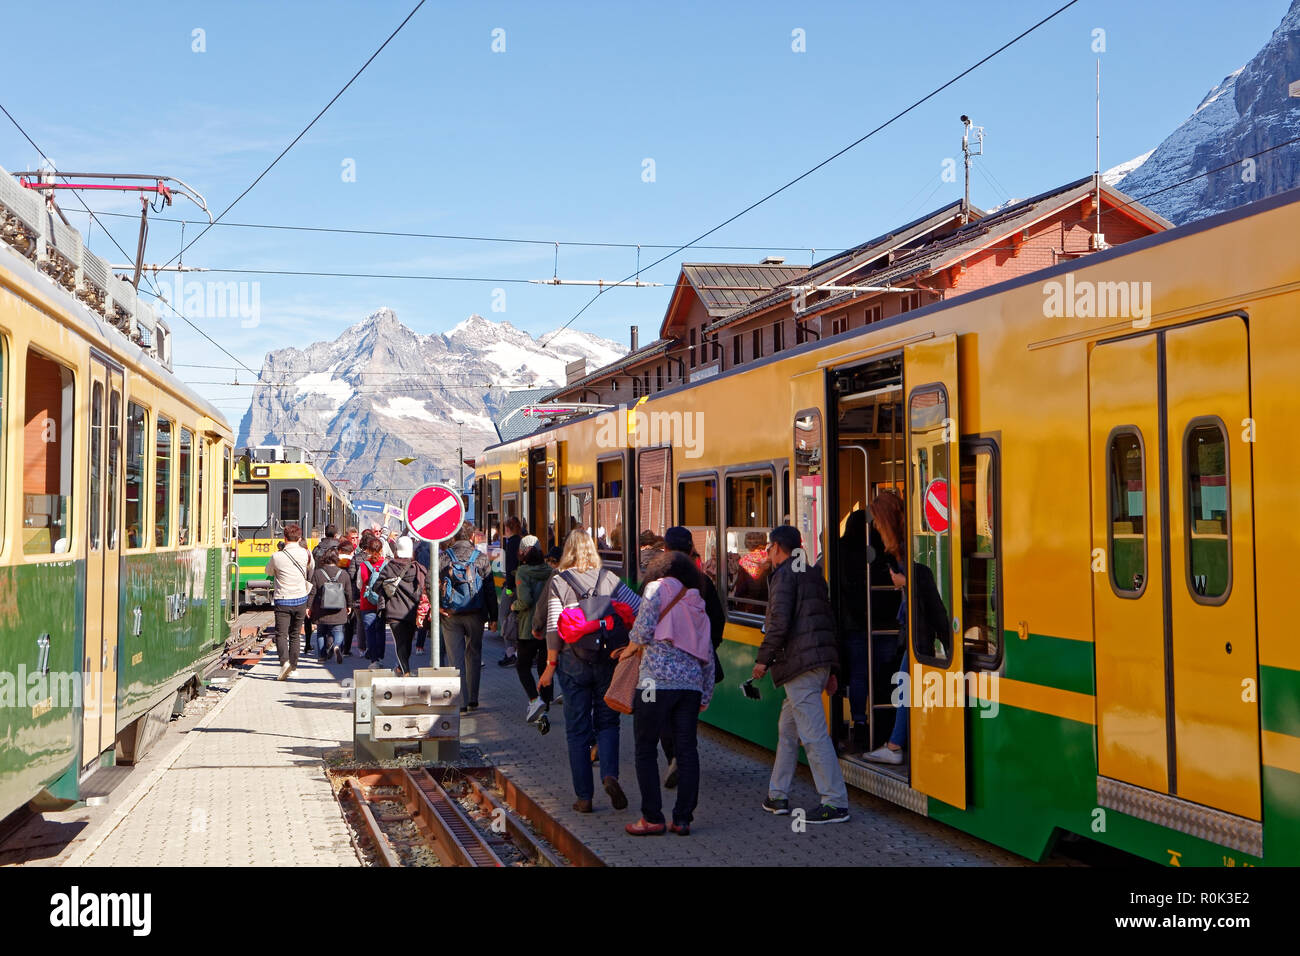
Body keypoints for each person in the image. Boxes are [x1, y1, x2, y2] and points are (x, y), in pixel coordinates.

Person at [538, 530, 642, 814]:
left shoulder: (559, 581)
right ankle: (609, 775)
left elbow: (553, 628)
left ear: (568, 551)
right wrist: (631, 646)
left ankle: (584, 798)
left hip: (573, 663)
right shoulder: (608, 578)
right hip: (608, 659)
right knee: (608, 723)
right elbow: (640, 608)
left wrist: (549, 669)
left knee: (577, 731)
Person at [754, 525, 850, 824]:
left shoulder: (784, 577)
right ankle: (777, 795)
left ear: (779, 548)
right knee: (788, 730)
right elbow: (826, 621)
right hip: (815, 665)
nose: (768, 553)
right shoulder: (811, 573)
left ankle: (834, 802)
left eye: (769, 548)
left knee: (813, 736)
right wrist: (831, 669)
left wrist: (762, 660)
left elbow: (778, 624)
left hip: (800, 668)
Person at [620, 551, 715, 836]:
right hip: (689, 687)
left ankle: (652, 817)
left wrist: (627, 649)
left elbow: (642, 631)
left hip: (653, 685)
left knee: (645, 746)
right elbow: (707, 652)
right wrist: (705, 695)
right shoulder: (697, 599)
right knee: (686, 750)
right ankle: (683, 818)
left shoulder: (654, 588)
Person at [863, 491, 950, 765]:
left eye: (878, 521)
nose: (875, 526)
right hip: (918, 626)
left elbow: (921, 581)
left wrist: (903, 582)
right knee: (906, 684)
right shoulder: (901, 545)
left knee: (906, 685)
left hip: (918, 629)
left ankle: (895, 745)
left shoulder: (903, 546)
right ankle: (897, 743)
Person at [439, 522, 498, 711]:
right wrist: (494, 617)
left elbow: (432, 582)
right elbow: (489, 589)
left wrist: (438, 607)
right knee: (473, 654)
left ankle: (461, 702)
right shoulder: (480, 558)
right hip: (476, 613)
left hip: (450, 614)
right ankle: (473, 698)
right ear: (472, 537)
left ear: (453, 537)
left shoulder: (443, 558)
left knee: (455, 658)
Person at [512, 535, 553, 730]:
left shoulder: (522, 572)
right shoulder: (551, 571)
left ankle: (534, 700)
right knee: (545, 667)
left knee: (522, 666)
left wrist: (514, 605)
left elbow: (526, 601)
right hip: (548, 627)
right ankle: (545, 706)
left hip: (528, 627)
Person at [838, 510, 872, 752]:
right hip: (878, 622)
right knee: (874, 674)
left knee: (854, 674)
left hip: (848, 623)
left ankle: (858, 720)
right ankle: (874, 722)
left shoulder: (838, 549)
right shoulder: (874, 549)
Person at [265, 523, 314, 680]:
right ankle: (293, 668)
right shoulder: (306, 554)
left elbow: (268, 571)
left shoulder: (277, 556)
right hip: (301, 600)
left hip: (283, 600)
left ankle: (284, 663)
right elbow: (310, 568)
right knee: (294, 635)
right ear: (299, 538)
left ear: (284, 538)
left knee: (281, 634)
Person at [377, 536, 430, 676]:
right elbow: (427, 587)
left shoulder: (389, 567)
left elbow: (377, 586)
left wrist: (387, 590)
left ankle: (403, 670)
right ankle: (405, 670)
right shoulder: (418, 569)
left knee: (401, 643)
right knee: (407, 643)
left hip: (394, 612)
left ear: (396, 550)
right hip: (412, 612)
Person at [308, 547, 354, 664]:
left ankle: (322, 657)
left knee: (321, 633)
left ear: (324, 559)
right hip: (338, 610)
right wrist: (349, 605)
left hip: (321, 609)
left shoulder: (318, 573)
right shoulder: (343, 574)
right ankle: (337, 646)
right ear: (336, 559)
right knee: (338, 631)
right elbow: (348, 591)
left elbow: (313, 592)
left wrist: (309, 607)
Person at [356, 537, 389, 669]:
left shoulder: (364, 565)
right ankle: (380, 656)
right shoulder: (386, 564)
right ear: (381, 550)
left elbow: (359, 584)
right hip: (382, 602)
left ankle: (374, 659)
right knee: (380, 630)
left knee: (369, 630)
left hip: (367, 602)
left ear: (368, 550)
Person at [498, 516, 523, 668]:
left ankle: (510, 652)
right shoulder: (522, 541)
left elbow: (509, 569)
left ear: (507, 529)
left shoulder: (511, 544)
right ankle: (518, 652)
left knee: (504, 616)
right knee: (518, 618)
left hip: (512, 587)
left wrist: (508, 589)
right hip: (521, 587)